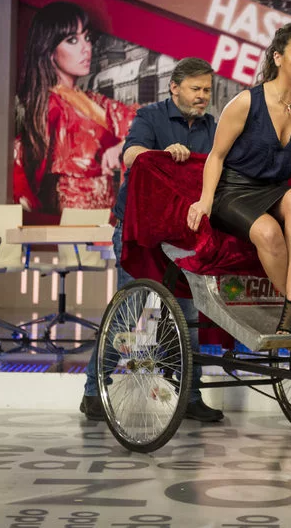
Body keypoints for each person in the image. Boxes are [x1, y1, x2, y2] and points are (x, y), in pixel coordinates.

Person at [186, 21, 291, 334]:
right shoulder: (246, 102)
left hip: (275, 190)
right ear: (278, 57)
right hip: (233, 191)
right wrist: (205, 201)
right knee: (267, 231)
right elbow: (216, 157)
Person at [80, 57, 224, 423]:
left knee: (186, 319)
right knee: (128, 315)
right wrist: (163, 155)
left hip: (183, 235)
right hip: (140, 230)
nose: (202, 96)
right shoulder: (149, 116)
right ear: (174, 87)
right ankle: (93, 392)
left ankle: (189, 396)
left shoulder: (212, 126)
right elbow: (130, 154)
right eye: (195, 89)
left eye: (207, 90)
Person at [13, 1, 137, 216]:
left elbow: (145, 123)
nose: (86, 48)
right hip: (71, 218)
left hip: (106, 217)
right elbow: (22, 175)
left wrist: (122, 147)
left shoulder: (96, 102)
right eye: (72, 40)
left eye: (87, 38)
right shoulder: (48, 106)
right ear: (50, 51)